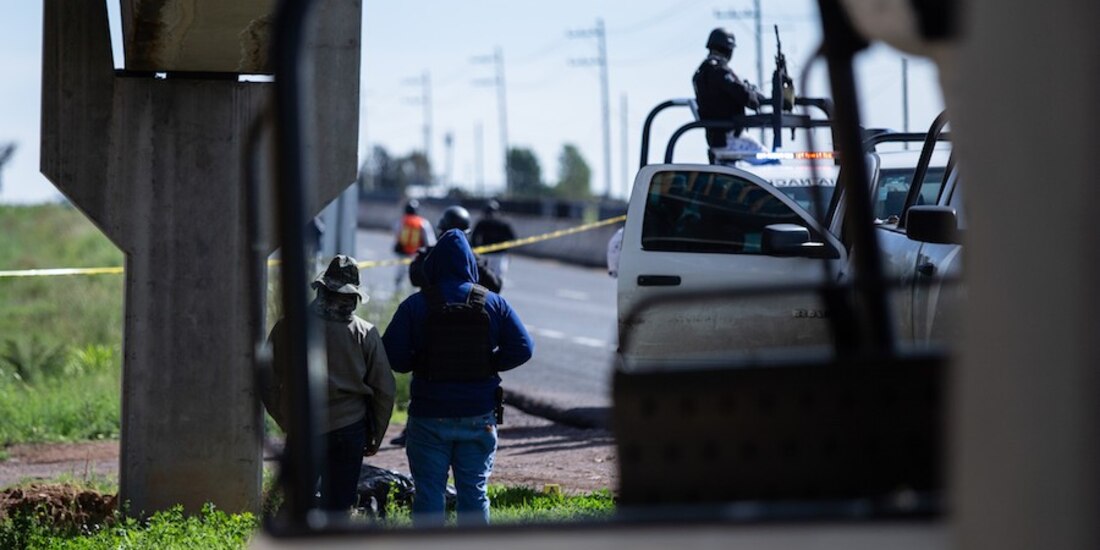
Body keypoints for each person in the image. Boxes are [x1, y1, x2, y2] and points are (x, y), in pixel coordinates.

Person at [383, 229, 534, 526]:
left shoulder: (415, 305)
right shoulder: (493, 303)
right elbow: (524, 348)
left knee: (428, 494)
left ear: (434, 263)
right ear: (470, 263)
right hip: (479, 416)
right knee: (474, 494)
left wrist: (420, 362)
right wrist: (490, 363)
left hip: (429, 416)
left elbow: (392, 355)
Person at [263, 255, 397, 512]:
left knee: (294, 506)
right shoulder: (365, 333)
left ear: (322, 289)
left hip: (304, 427)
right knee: (338, 509)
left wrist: (283, 417)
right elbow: (385, 390)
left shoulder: (290, 326)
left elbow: (268, 377)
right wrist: (375, 436)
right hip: (349, 430)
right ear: (354, 297)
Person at [692, 28, 766, 162]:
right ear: (729, 50)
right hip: (730, 139)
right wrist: (753, 94)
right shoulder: (720, 71)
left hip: (715, 140)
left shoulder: (700, 72)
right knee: (771, 161)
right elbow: (747, 99)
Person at [409, 205, 502, 293]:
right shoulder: (474, 259)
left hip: (433, 307)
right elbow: (495, 286)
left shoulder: (428, 255)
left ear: (441, 232)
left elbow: (415, 279)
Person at [470, 200, 516, 282]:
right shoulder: (485, 223)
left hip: (492, 255)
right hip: (494, 255)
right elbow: (512, 239)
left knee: (487, 279)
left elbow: (474, 238)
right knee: (496, 279)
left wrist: (477, 251)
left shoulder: (485, 222)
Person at [393, 199, 435, 288]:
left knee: (400, 277)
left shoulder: (402, 221)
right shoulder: (423, 222)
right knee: (415, 278)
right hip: (417, 255)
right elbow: (430, 241)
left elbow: (397, 233)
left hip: (403, 253)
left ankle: (397, 295)